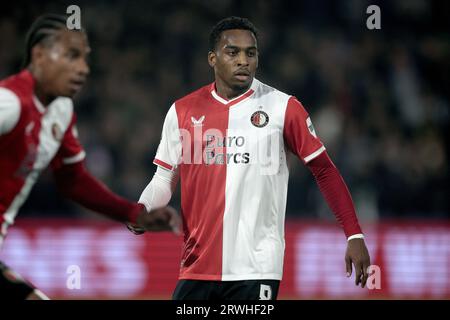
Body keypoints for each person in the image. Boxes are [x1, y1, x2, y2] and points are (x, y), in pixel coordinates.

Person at [137, 16, 370, 300]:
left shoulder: (283, 107)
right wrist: (142, 208)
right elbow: (164, 178)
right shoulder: (182, 111)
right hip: (196, 266)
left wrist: (354, 235)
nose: (243, 60)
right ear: (213, 58)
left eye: (251, 53)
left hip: (258, 267)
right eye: (232, 52)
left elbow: (324, 171)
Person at [0, 14, 180, 300]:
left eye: (84, 58)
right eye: (72, 56)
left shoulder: (60, 111)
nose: (83, 69)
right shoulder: (9, 103)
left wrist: (135, 214)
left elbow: (73, 181)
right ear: (39, 55)